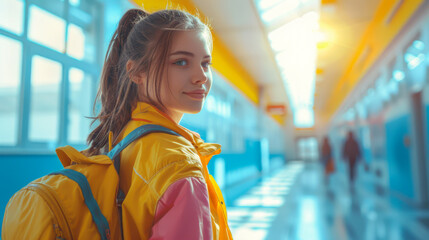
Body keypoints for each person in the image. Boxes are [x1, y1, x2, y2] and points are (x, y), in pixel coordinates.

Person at [84, 9, 232, 239]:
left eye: (205, 63)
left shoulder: (122, 139)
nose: (201, 76)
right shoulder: (178, 164)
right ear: (137, 72)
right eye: (181, 62)